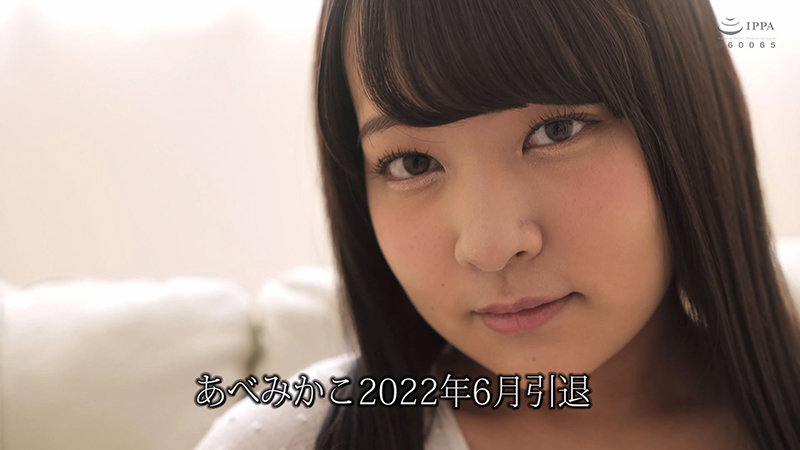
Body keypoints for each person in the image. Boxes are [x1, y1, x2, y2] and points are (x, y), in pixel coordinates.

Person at [196, 0, 800, 448]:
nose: (489, 246)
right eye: (412, 163)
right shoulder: (292, 437)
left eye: (557, 131)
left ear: (689, 129)